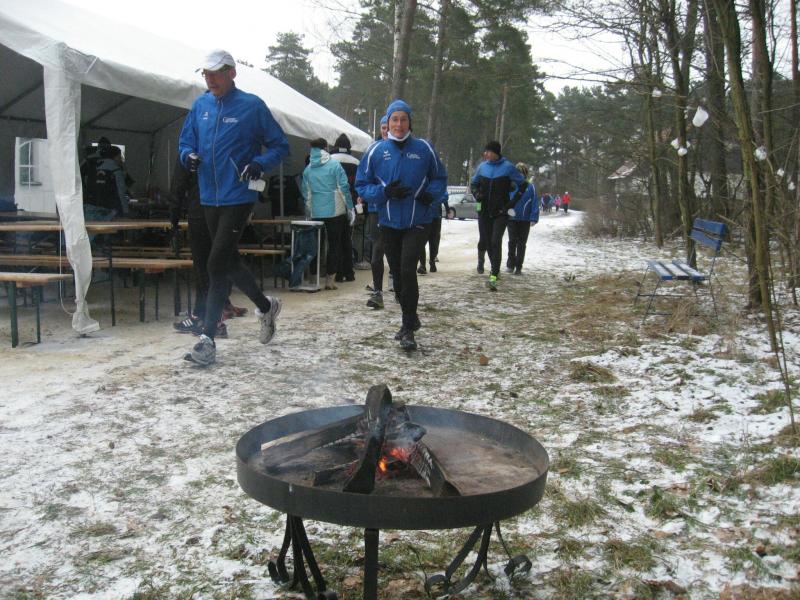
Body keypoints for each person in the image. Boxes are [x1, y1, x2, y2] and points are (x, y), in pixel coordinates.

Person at [178, 49, 289, 366]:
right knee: (228, 261)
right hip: (208, 197)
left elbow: (280, 145)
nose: (210, 79)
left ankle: (207, 339)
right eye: (206, 74)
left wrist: (259, 163)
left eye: (216, 73)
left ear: (232, 73)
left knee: (215, 264)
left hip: (239, 195)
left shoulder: (251, 106)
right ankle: (266, 306)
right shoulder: (200, 106)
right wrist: (188, 156)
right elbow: (185, 143)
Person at [356, 99, 447, 350]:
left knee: (407, 269)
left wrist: (431, 194)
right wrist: (384, 193)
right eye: (394, 120)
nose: (398, 124)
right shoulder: (376, 151)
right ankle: (411, 316)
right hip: (388, 221)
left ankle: (408, 328)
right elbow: (362, 184)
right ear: (388, 123)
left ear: (409, 122)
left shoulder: (424, 149)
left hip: (419, 220)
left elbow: (440, 178)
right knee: (396, 273)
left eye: (403, 119)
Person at [470, 141, 525, 291]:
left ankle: (493, 275)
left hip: (501, 211)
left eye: (488, 151)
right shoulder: (482, 167)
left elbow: (523, 185)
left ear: (496, 153)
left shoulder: (508, 167)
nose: (485, 154)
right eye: (485, 151)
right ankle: (495, 268)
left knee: (495, 240)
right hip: (484, 211)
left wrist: (511, 203)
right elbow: (473, 184)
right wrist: (477, 194)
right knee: (488, 242)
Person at [301, 137, 354, 290]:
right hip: (335, 211)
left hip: (316, 212)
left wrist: (309, 211)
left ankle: (313, 278)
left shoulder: (308, 169)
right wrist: (350, 208)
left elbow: (306, 193)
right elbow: (344, 188)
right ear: (326, 147)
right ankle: (330, 280)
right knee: (334, 245)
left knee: (316, 245)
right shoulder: (334, 165)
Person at [360, 116, 391, 309]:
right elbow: (364, 180)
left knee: (396, 252)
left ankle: (397, 283)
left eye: (389, 127)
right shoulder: (373, 150)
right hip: (376, 209)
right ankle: (378, 292)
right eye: (383, 127)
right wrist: (366, 195)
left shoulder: (406, 151)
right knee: (377, 250)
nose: (386, 130)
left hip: (398, 210)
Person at [328, 133, 359, 282]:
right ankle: (349, 272)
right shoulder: (356, 162)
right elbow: (359, 185)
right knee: (347, 239)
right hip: (350, 204)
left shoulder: (329, 160)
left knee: (335, 241)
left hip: (332, 205)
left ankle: (338, 272)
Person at [506, 163, 539, 275]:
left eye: (521, 172)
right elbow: (505, 199)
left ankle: (519, 267)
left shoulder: (530, 187)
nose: (519, 174)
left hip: (525, 219)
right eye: (517, 172)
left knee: (521, 243)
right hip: (511, 218)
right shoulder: (511, 185)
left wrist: (534, 217)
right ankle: (510, 264)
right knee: (512, 241)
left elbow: (534, 202)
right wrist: (505, 211)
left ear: (525, 174)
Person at [418, 192, 449, 274]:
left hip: (435, 217)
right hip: (422, 216)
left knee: (434, 240)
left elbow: (445, 195)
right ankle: (422, 265)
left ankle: (432, 261)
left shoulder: (438, 185)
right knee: (421, 240)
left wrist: (435, 198)